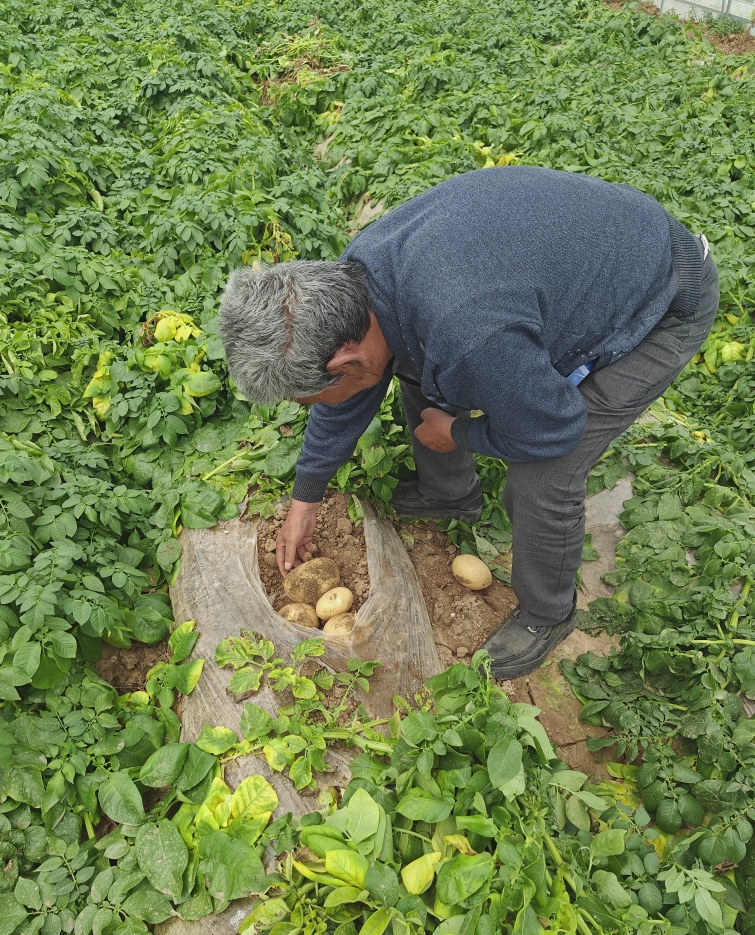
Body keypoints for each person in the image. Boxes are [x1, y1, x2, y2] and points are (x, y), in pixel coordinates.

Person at [217, 166, 718, 679]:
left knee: (545, 471)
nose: (316, 406)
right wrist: (307, 496)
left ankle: (547, 613)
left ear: (346, 362)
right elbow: (350, 391)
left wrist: (457, 432)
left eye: (310, 398)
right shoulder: (355, 289)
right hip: (590, 252)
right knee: (418, 365)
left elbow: (555, 427)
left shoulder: (467, 333)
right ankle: (451, 493)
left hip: (664, 299)